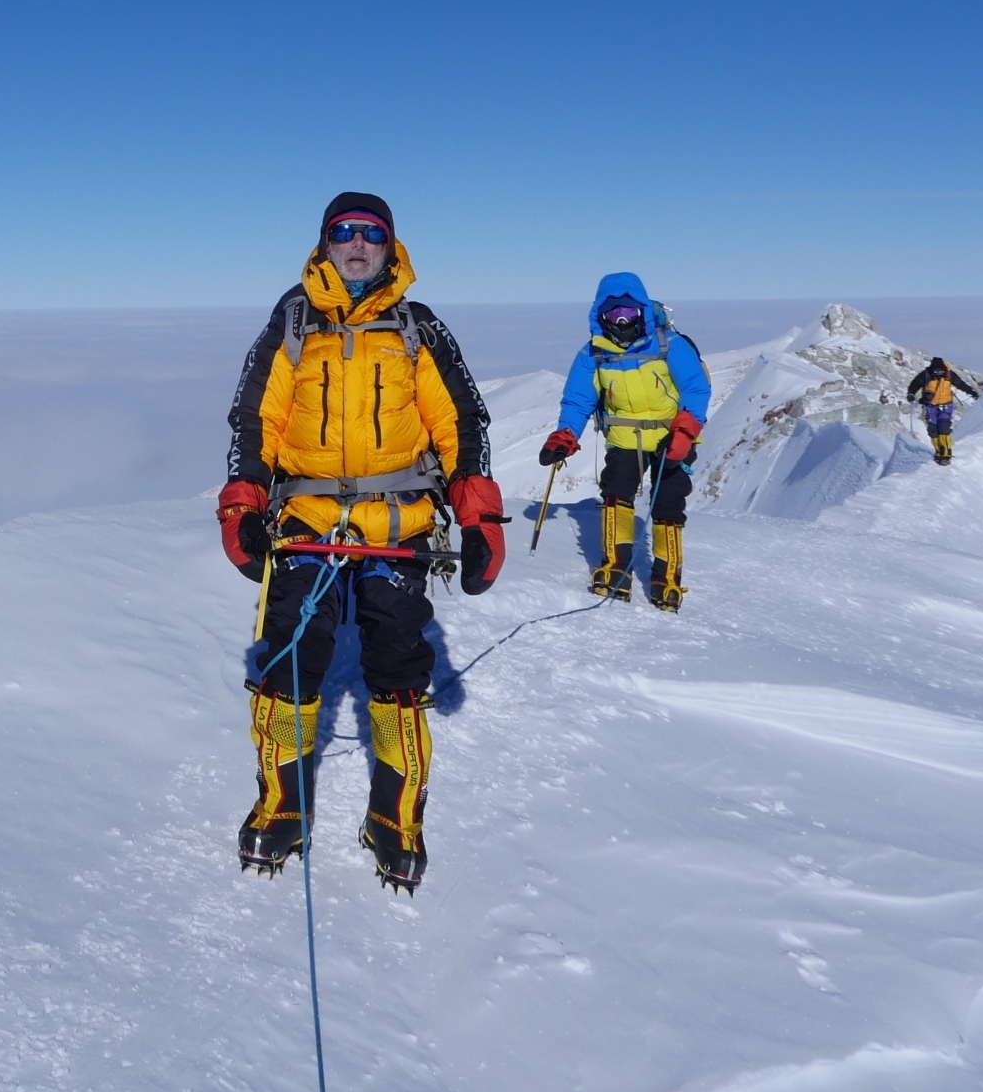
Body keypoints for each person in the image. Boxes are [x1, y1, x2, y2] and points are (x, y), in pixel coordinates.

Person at [217, 192, 502, 893]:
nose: (355, 244)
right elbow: (255, 420)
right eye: (342, 232)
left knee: (399, 667)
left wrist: (478, 515)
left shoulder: (417, 326)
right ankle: (281, 805)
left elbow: (459, 422)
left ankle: (395, 817)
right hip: (307, 523)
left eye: (370, 234)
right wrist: (241, 502)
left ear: (388, 246)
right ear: (322, 243)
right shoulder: (291, 322)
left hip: (398, 523)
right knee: (287, 657)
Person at [535, 274, 711, 611]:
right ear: (599, 315)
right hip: (623, 438)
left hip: (671, 437)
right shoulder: (593, 354)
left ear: (642, 311)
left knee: (668, 504)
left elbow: (696, 388)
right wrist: (566, 435)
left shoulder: (669, 344)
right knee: (616, 494)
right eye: (613, 313)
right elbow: (578, 400)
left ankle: (666, 579)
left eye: (628, 313)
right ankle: (615, 568)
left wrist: (686, 431)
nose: (620, 320)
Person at [904, 356, 980, 464]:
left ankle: (946, 454)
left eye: (940, 371)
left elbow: (961, 384)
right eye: (936, 371)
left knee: (944, 428)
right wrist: (911, 394)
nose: (938, 373)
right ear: (932, 369)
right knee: (933, 430)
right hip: (930, 407)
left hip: (946, 406)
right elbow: (914, 385)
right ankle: (939, 452)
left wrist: (972, 393)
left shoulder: (949, 374)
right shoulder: (926, 375)